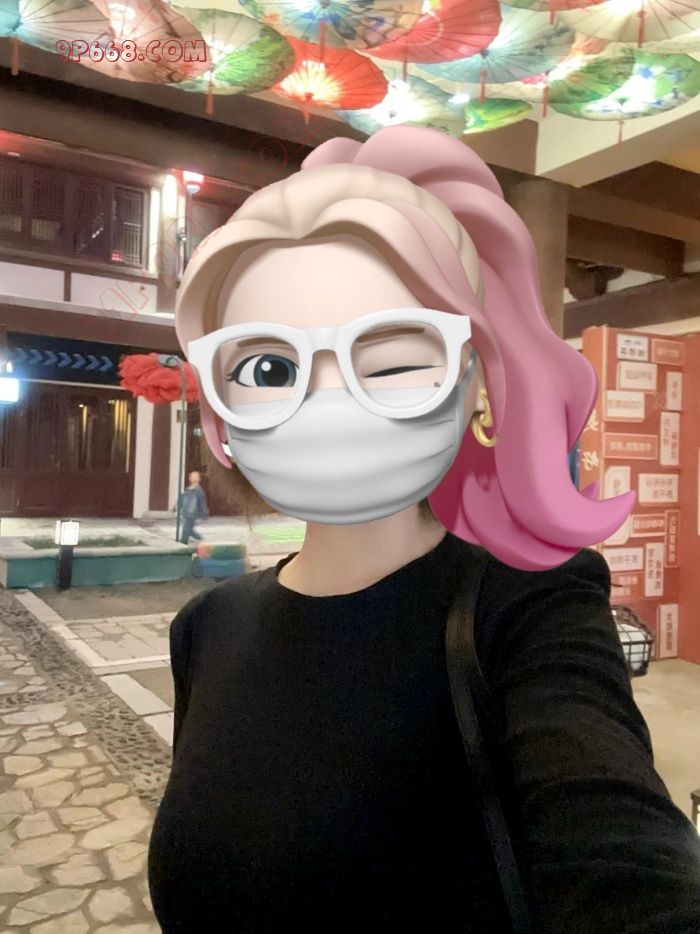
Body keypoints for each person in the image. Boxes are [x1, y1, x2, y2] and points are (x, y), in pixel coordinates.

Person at [148, 126, 700, 933]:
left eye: (393, 360)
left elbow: (616, 844)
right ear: (220, 407)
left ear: (473, 379)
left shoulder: (532, 609)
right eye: (269, 368)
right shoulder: (205, 629)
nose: (328, 402)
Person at [177, 471, 208, 544]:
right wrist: (177, 506)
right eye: (192, 476)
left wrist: (204, 513)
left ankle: (184, 542)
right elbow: (182, 499)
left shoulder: (199, 491)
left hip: (192, 513)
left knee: (186, 529)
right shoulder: (188, 489)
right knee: (189, 529)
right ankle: (200, 539)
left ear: (199, 479)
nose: (193, 478)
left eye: (195, 476)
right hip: (186, 512)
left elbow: (202, 503)